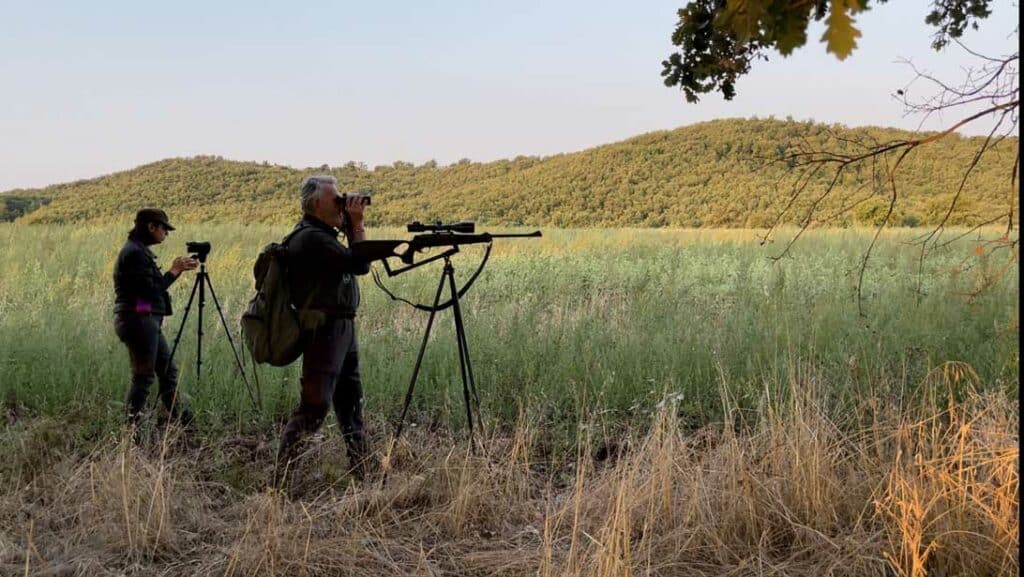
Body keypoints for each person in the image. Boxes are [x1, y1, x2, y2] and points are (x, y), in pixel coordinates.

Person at [277, 175, 372, 480]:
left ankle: (363, 470)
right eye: (336, 200)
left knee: (350, 402)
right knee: (315, 405)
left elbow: (354, 263)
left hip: (339, 328)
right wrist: (355, 225)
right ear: (317, 204)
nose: (342, 204)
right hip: (325, 330)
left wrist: (348, 225)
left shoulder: (322, 234)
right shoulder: (312, 238)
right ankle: (282, 479)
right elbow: (360, 264)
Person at [113, 208, 199, 429]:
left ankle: (183, 422)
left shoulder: (138, 251)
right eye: (164, 228)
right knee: (144, 377)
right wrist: (173, 271)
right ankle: (132, 431)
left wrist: (175, 271)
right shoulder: (134, 254)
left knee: (167, 371)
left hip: (142, 320)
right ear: (151, 227)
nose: (166, 234)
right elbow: (149, 292)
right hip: (138, 320)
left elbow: (146, 292)